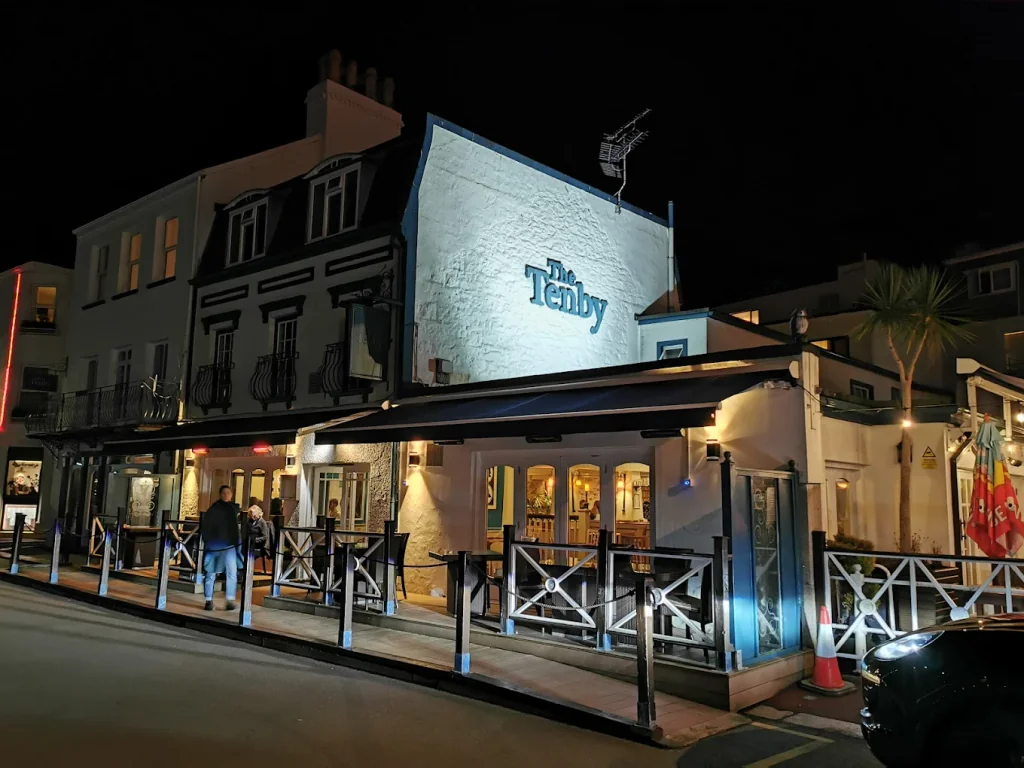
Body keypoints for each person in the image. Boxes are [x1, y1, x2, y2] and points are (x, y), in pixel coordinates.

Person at [200, 485, 240, 611]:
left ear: (231, 494)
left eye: (228, 492)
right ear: (220, 494)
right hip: (217, 544)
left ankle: (229, 600)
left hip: (227, 544)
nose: (226, 495)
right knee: (211, 572)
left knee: (231, 572)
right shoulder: (217, 509)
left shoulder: (233, 509)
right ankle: (208, 600)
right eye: (224, 493)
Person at [246, 498, 275, 573]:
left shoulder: (262, 523)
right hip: (249, 542)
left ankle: (246, 570)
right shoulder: (250, 521)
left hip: (258, 545)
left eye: (254, 515)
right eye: (251, 516)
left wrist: (255, 540)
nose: (253, 517)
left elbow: (265, 537)